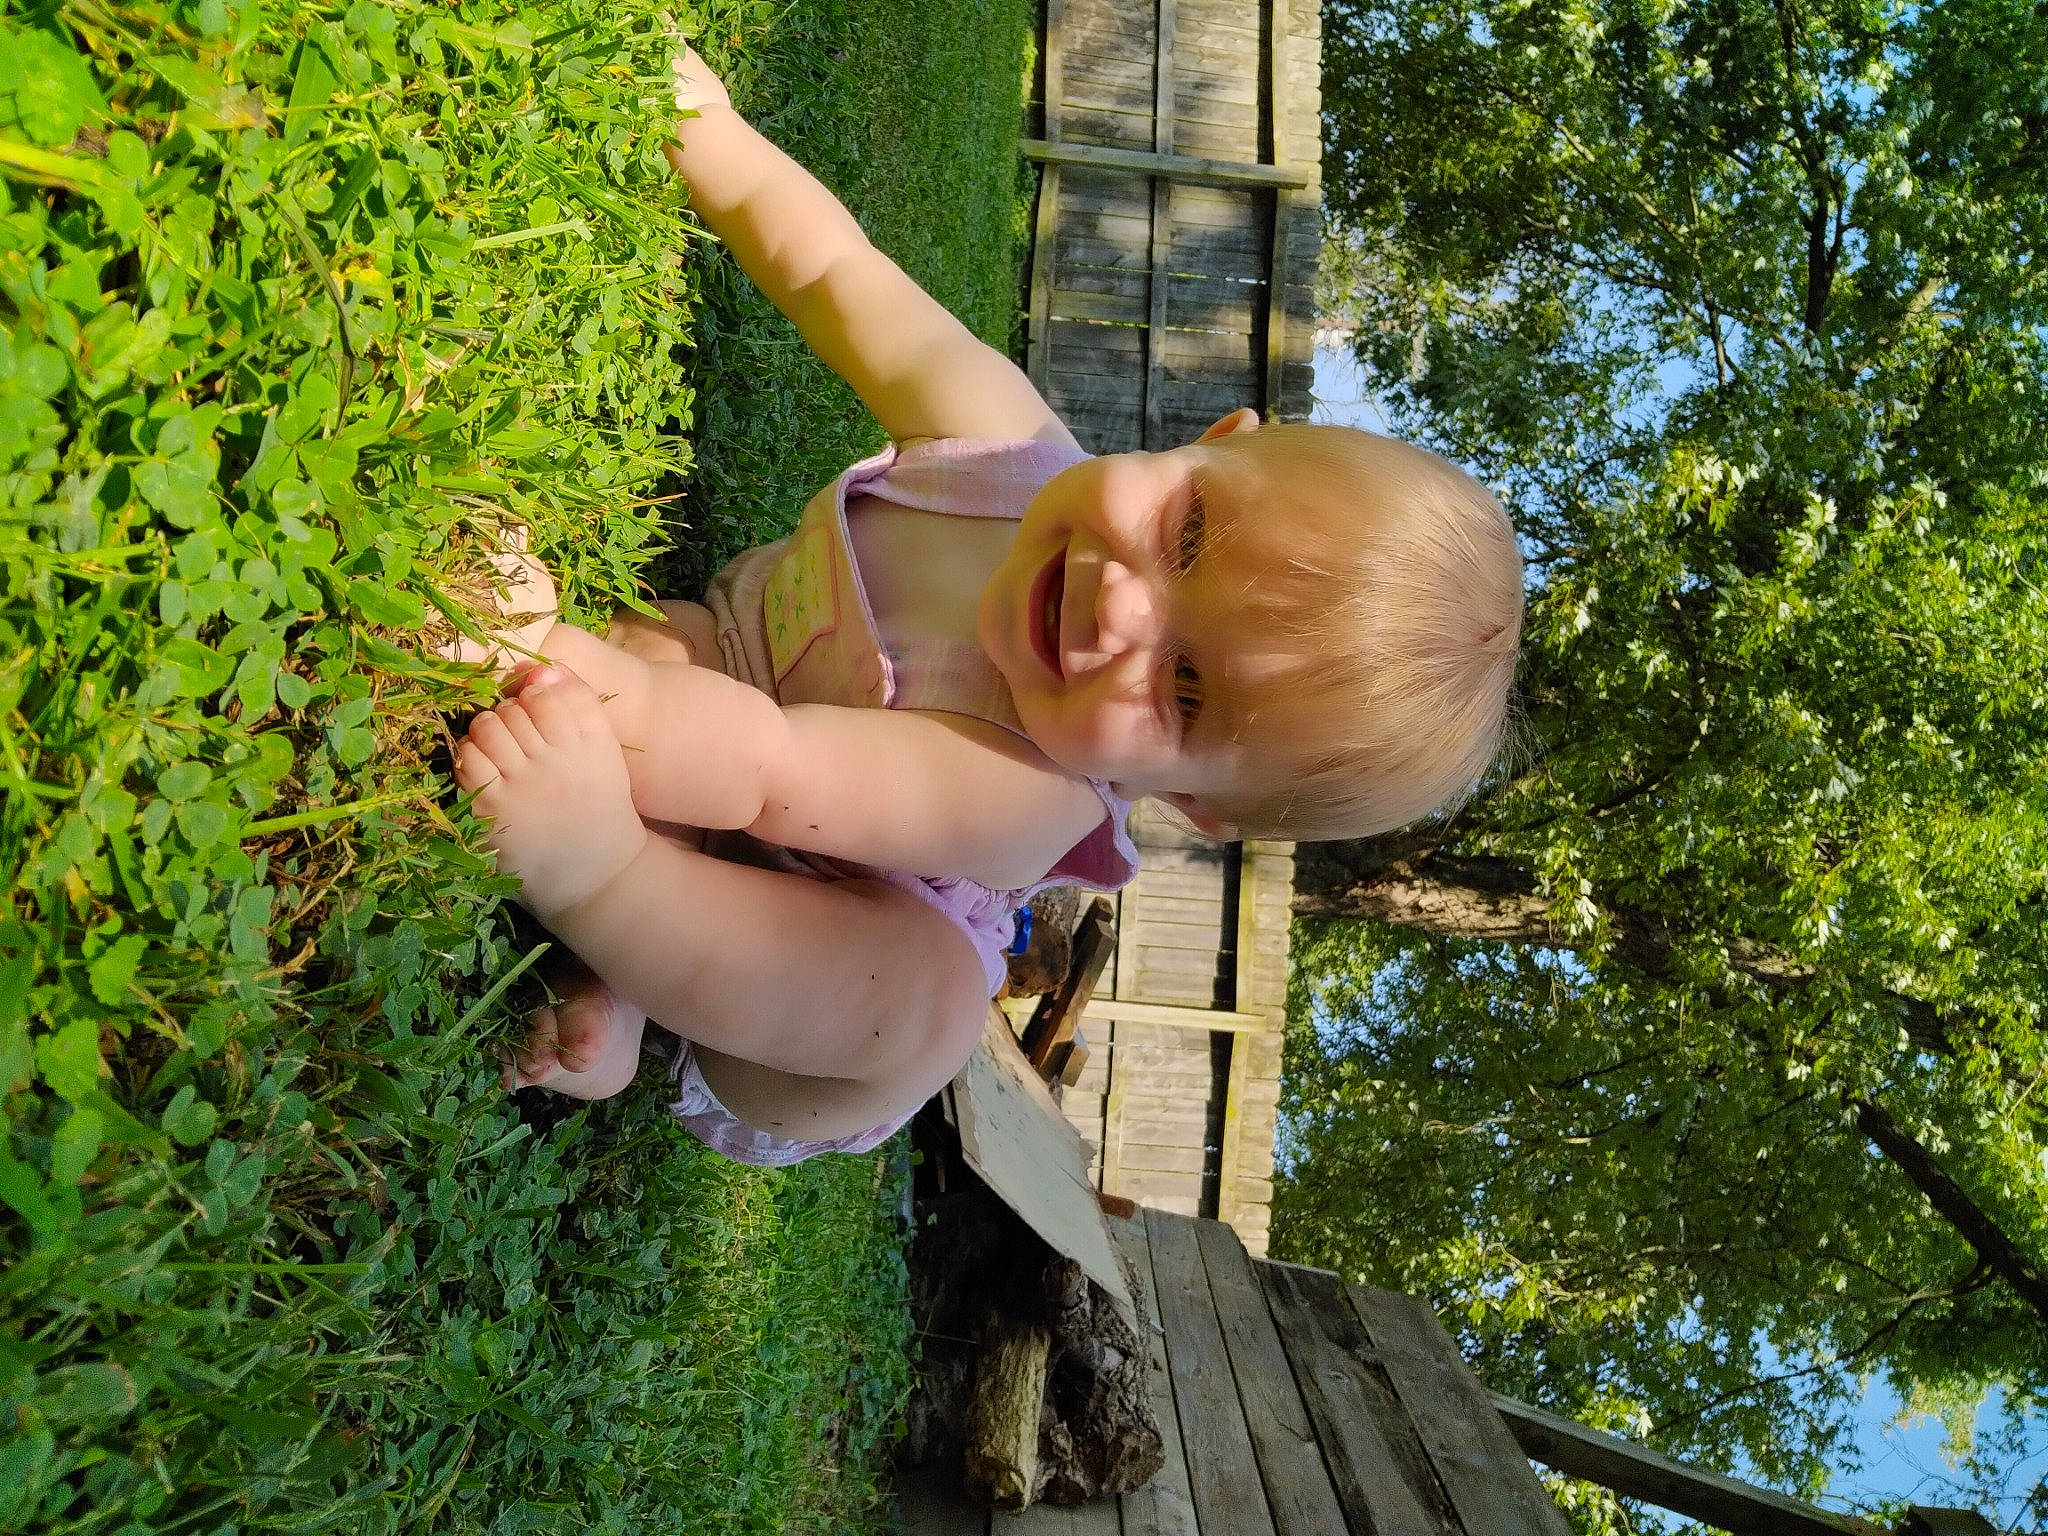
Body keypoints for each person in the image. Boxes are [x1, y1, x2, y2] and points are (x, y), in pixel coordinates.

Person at [445, 45, 1524, 1166]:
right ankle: (619, 976)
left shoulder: (1026, 793)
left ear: (1198, 808)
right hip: (725, 682)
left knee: (924, 1008)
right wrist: (705, 132)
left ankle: (603, 883)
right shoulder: (999, 442)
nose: (1117, 606)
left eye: (1184, 685)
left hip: (804, 975)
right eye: (1188, 532)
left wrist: (527, 646)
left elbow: (767, 772)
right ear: (1212, 441)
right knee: (665, 651)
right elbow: (832, 273)